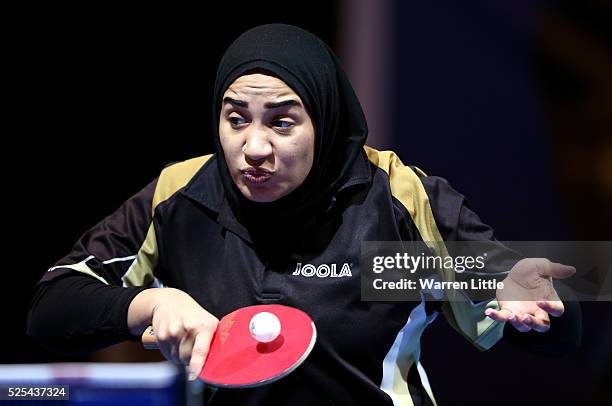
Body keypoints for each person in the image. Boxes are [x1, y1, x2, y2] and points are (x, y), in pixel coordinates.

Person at [28, 24, 580, 405]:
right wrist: (150, 300)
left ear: (325, 119)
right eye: (236, 118)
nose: (254, 147)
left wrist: (525, 295)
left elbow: (556, 325)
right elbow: (50, 312)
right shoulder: (181, 196)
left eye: (283, 122)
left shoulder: (398, 199)